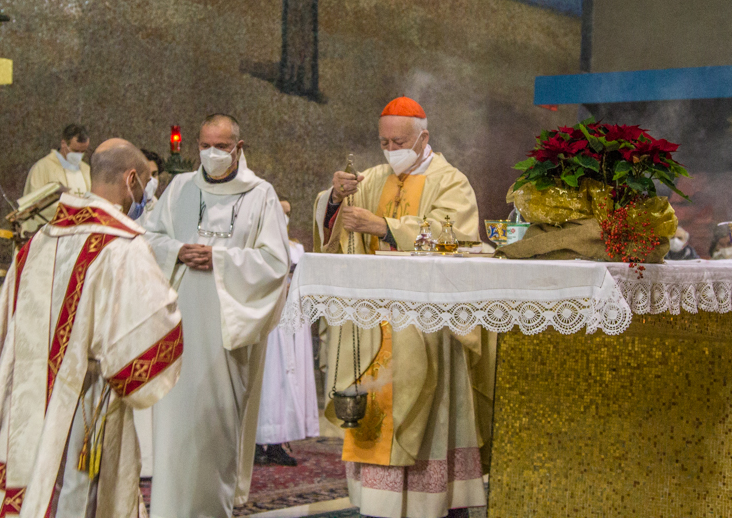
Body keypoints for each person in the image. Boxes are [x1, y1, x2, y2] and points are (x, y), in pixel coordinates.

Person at [0, 139, 183, 518]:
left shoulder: (38, 241)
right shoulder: (123, 248)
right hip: (87, 397)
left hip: (25, 391)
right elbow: (147, 339)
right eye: (145, 184)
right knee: (79, 494)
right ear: (131, 179)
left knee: (31, 486)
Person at [313, 97, 492, 518]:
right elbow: (333, 228)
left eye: (400, 142)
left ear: (423, 137)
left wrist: (385, 227)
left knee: (427, 416)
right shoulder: (372, 178)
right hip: (374, 323)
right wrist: (335, 197)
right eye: (384, 142)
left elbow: (455, 235)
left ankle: (433, 503)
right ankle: (379, 503)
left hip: (423, 325)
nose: (391, 150)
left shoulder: (450, 181)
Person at [142, 114, 290, 518]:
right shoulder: (180, 188)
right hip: (179, 325)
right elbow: (148, 238)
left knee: (216, 425)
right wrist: (177, 251)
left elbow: (276, 263)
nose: (212, 153)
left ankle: (213, 509)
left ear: (238, 148)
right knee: (175, 428)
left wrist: (220, 260)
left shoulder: (260, 195)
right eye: (205, 145)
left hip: (226, 331)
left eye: (221, 147)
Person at [254, 198, 320, 467]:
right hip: (268, 318)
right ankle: (256, 441)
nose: (285, 217)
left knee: (288, 378)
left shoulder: (297, 249)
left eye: (288, 213)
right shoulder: (256, 247)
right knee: (267, 377)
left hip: (291, 316)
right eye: (280, 212)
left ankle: (278, 440)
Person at [22, 124, 92, 232]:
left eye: (83, 151)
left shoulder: (86, 170)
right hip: (51, 232)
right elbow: (33, 205)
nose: (79, 155)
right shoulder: (43, 167)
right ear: (63, 144)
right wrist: (71, 211)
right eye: (75, 150)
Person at [128, 149, 163, 221]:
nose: (150, 179)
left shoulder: (161, 209)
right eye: (146, 174)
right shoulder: (125, 208)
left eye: (154, 174)